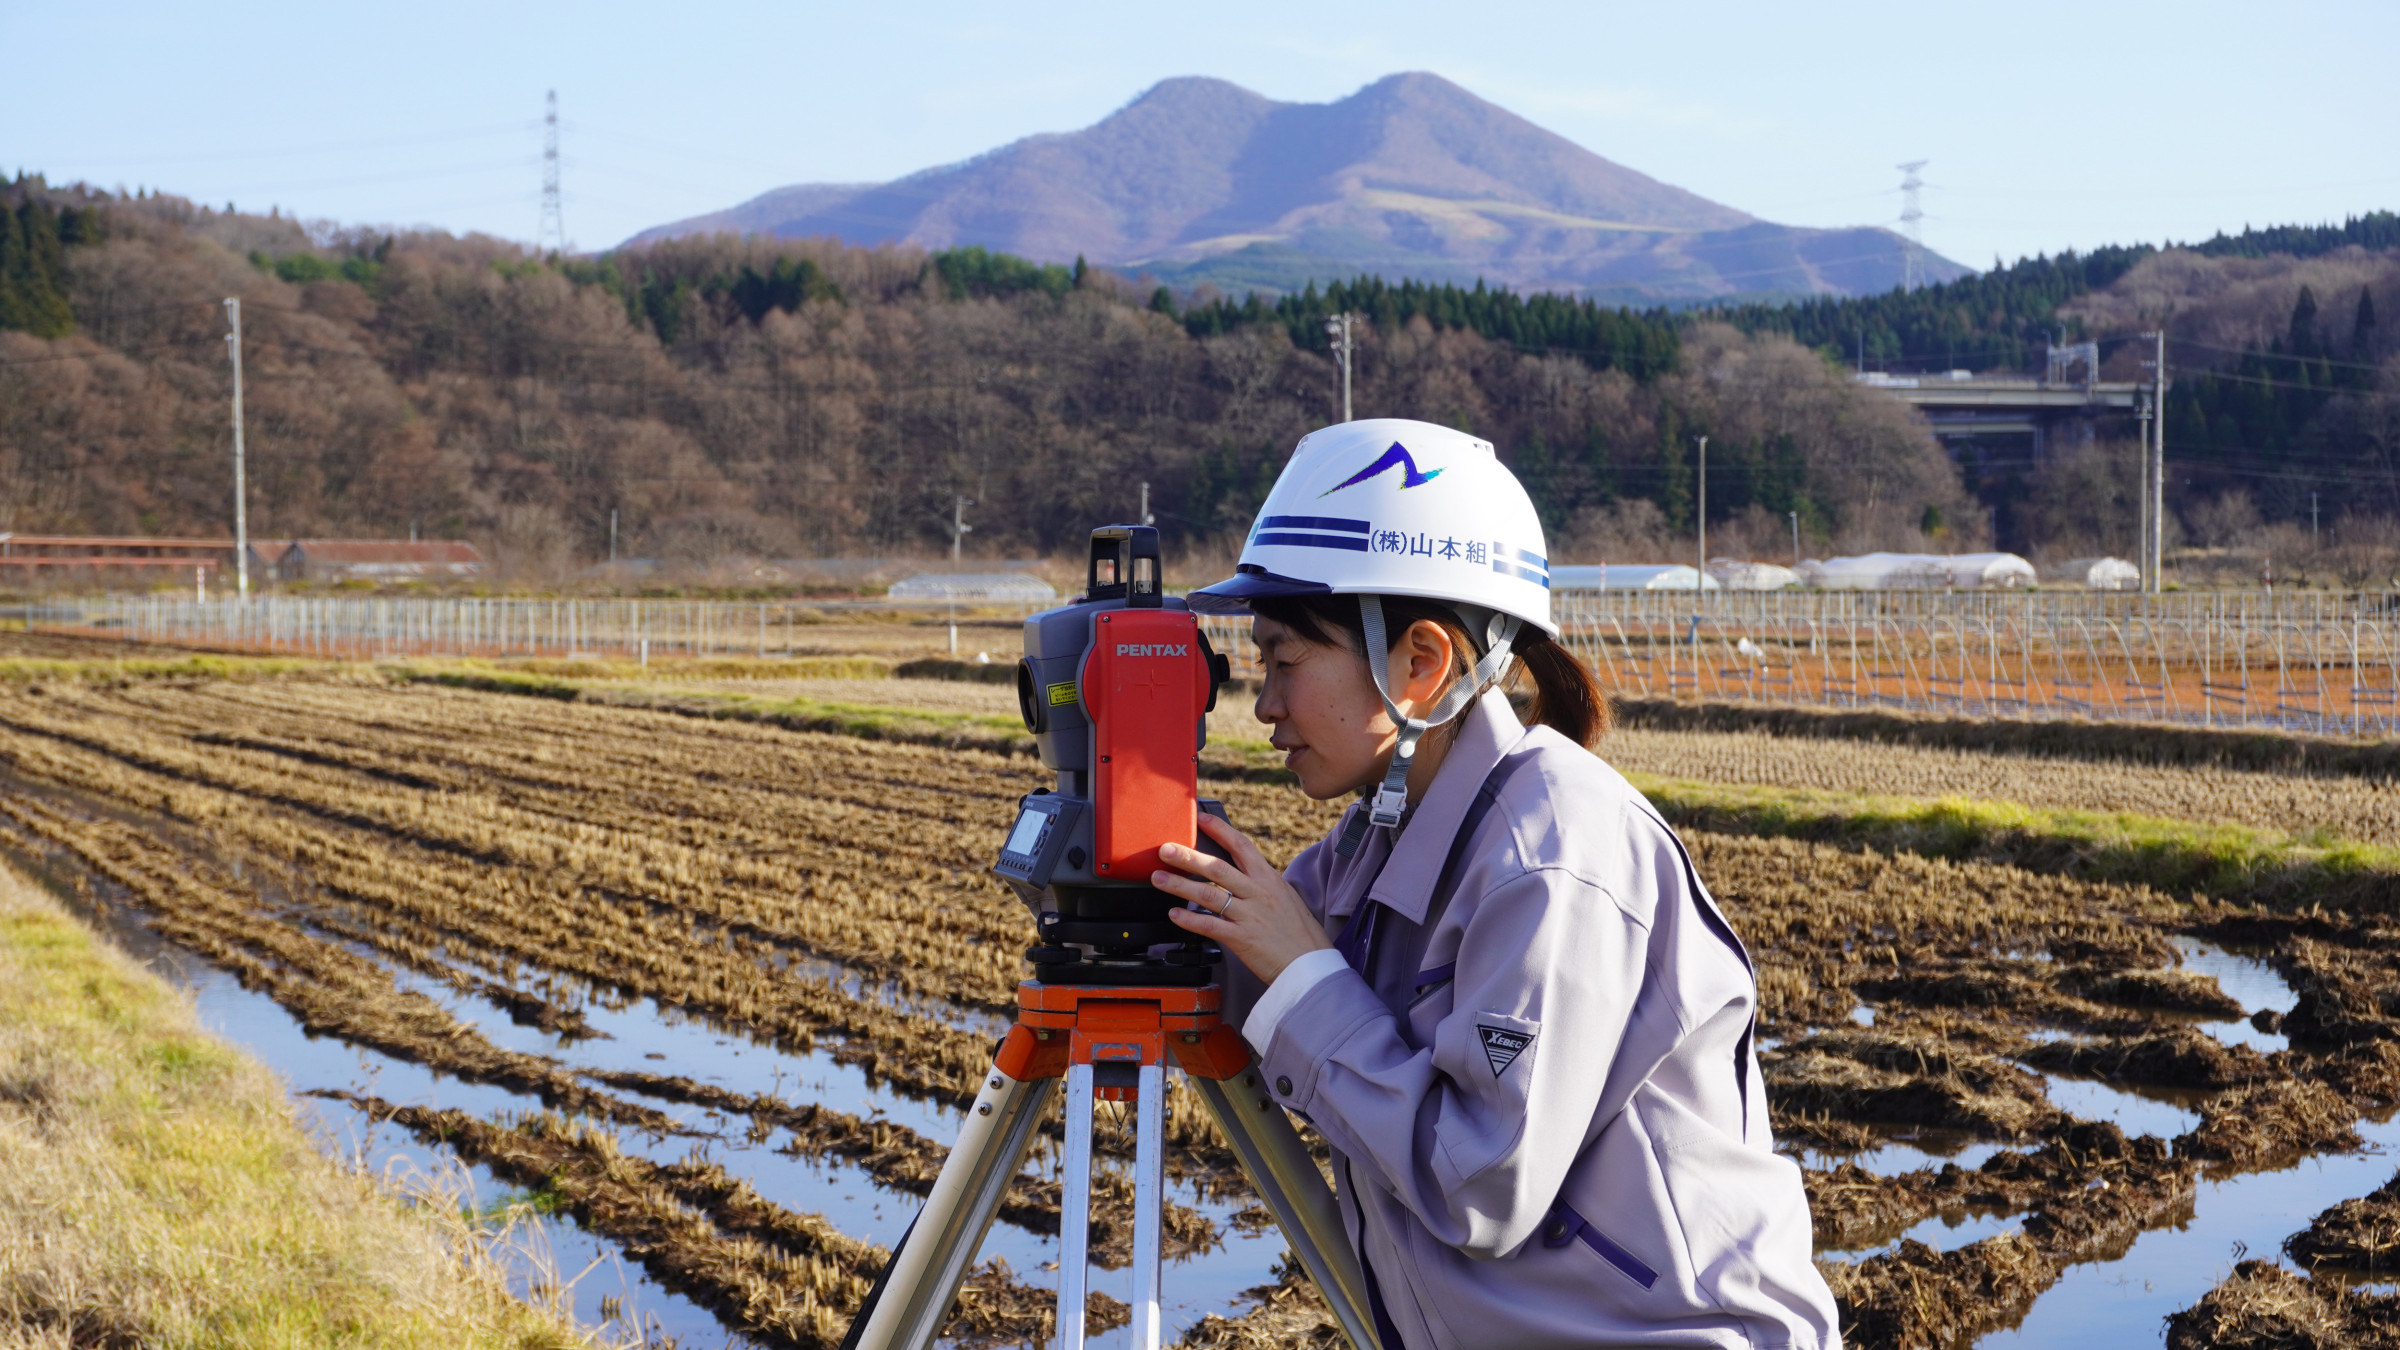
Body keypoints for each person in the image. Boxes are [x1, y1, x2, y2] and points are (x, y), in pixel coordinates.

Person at [1153, 418, 1839, 1350]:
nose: (1264, 703)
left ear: (1421, 664)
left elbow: (1480, 1185)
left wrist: (1307, 975)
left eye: (1283, 660)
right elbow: (1259, 970)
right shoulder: (1382, 834)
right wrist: (1134, 873)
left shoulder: (1554, 858)